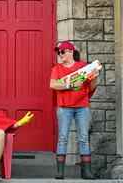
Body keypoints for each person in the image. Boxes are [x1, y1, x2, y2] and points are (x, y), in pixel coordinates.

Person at [50, 41, 99, 180]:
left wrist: (94, 78)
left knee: (83, 138)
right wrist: (70, 84)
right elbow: (53, 84)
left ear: (70, 52)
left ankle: (86, 172)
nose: (59, 55)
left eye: (61, 52)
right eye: (58, 53)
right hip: (64, 107)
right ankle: (60, 172)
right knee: (63, 138)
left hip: (82, 106)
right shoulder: (57, 69)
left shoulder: (83, 67)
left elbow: (91, 87)